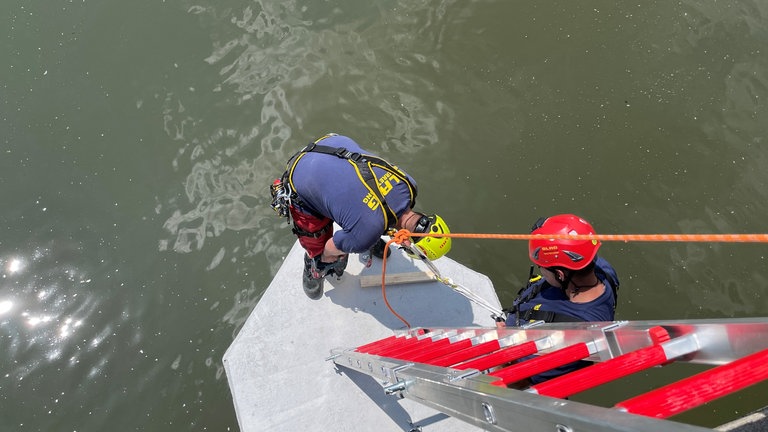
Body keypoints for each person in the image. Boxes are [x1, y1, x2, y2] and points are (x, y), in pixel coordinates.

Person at [270, 133, 451, 299]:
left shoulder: (409, 185)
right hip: (300, 174)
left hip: (331, 144)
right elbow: (331, 247)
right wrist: (330, 255)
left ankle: (362, 234)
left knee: (369, 220)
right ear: (407, 243)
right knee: (317, 241)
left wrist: (365, 234)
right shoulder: (367, 232)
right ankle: (313, 263)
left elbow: (377, 203)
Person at [503, 213, 619, 384]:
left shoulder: (570, 339)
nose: (541, 271)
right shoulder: (603, 269)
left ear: (560, 274)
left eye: (542, 267)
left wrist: (502, 339)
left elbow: (520, 379)